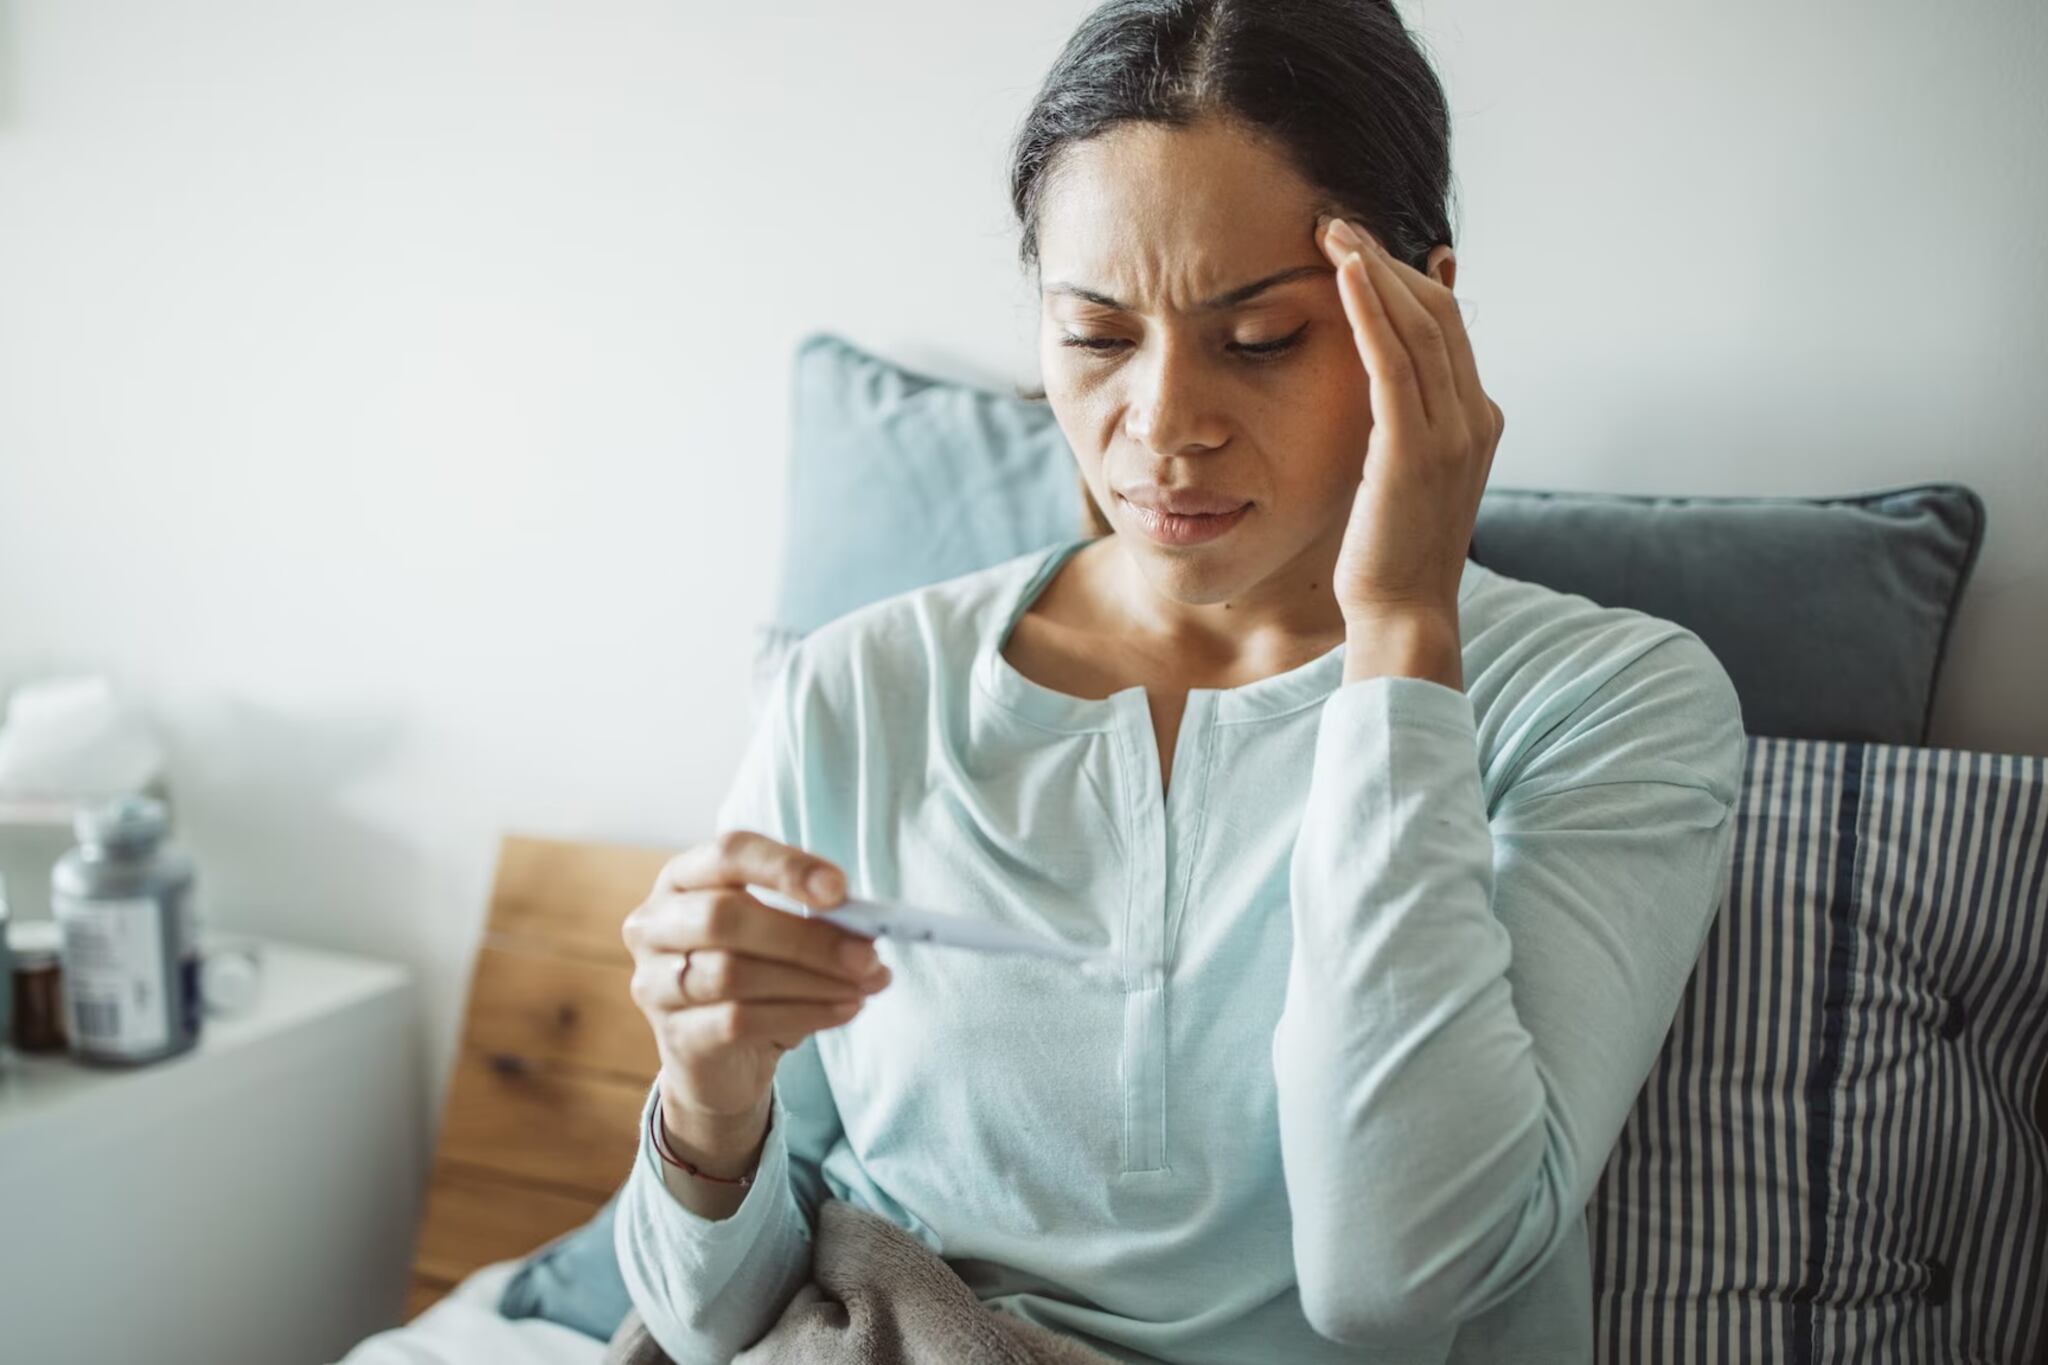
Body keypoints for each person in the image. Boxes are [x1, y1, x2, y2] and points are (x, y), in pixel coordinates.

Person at [616, 1, 1746, 1360]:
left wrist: (1398, 635)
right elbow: (698, 1324)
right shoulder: (858, 689)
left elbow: (1395, 1276)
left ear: (1423, 313)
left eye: (1260, 337)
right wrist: (707, 1094)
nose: (1163, 428)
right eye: (1096, 336)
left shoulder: (1611, 702)